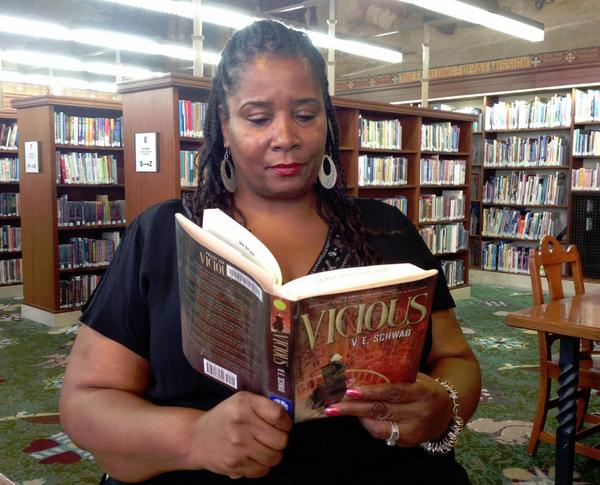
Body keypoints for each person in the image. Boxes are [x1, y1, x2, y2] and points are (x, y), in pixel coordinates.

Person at [60, 19, 481, 485]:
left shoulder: (386, 229)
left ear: (326, 120)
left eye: (305, 114)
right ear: (225, 125)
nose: (285, 137)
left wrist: (443, 406)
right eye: (258, 118)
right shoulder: (163, 234)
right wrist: (195, 438)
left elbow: (457, 361)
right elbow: (85, 401)